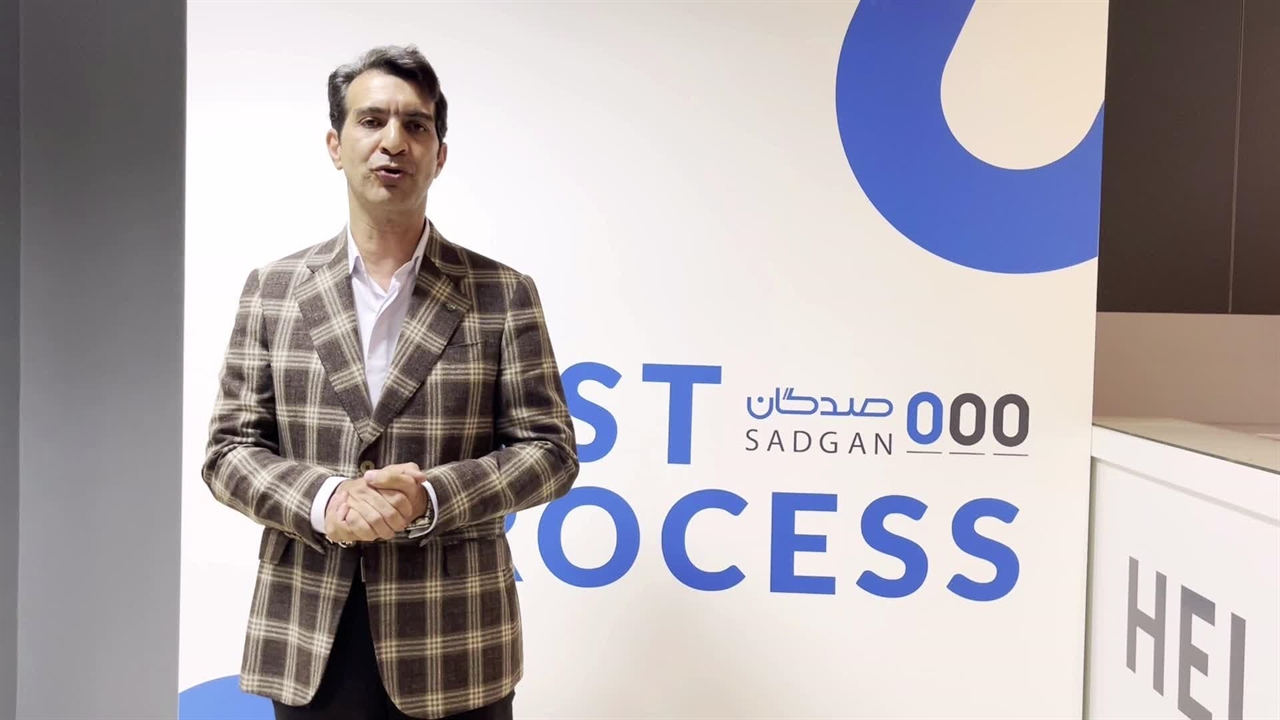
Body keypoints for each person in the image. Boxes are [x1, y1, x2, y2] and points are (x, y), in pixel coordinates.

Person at [201, 44, 579, 720]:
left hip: (456, 641)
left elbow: (550, 452)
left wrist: (431, 496)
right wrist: (326, 498)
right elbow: (228, 452)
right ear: (335, 144)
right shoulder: (273, 290)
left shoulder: (502, 293)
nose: (393, 142)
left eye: (416, 125)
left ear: (439, 154)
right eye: (372, 121)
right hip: (309, 635)